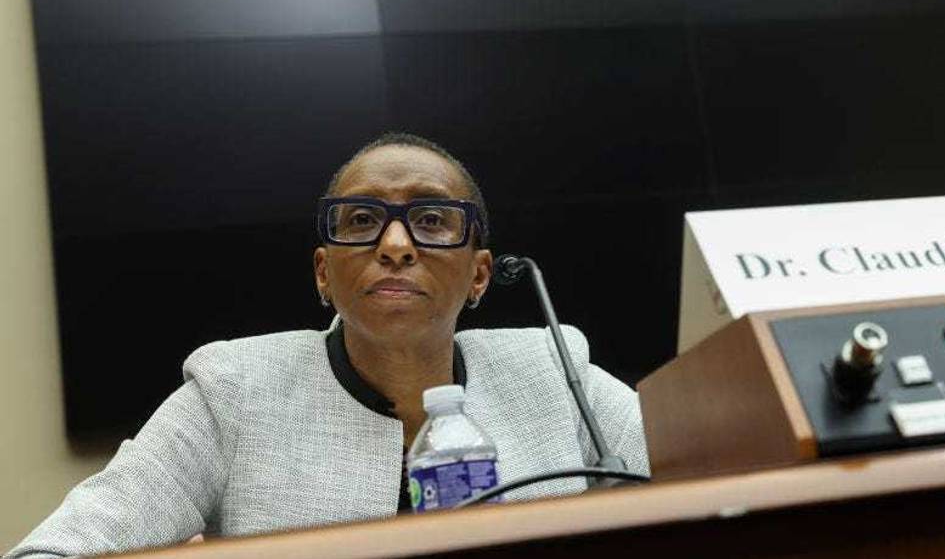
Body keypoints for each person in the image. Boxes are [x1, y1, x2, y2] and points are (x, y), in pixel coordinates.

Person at [6, 133, 649, 558]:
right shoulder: (236, 392)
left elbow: (723, 482)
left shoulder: (554, 371)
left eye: (430, 220)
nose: (395, 245)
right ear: (323, 272)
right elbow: (57, 550)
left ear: (480, 274)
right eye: (363, 220)